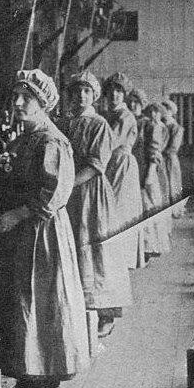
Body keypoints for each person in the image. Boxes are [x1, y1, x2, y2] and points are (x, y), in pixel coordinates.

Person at [0, 68, 89, 388]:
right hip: (22, 234)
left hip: (41, 233)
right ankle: (27, 375)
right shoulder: (25, 138)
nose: (18, 103)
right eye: (16, 96)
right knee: (22, 302)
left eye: (27, 98)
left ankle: (48, 381)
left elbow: (54, 193)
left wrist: (15, 214)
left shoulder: (51, 140)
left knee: (42, 302)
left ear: (43, 102)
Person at [63, 71, 133, 338]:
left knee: (96, 245)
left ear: (94, 95)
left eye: (87, 92)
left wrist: (68, 184)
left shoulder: (100, 125)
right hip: (71, 195)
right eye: (77, 91)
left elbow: (95, 165)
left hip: (91, 192)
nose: (81, 96)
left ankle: (105, 312)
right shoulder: (66, 124)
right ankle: (80, 309)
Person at [101, 72, 145, 270]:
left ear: (124, 94)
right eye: (111, 91)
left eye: (119, 91)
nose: (114, 95)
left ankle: (121, 259)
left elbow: (110, 143)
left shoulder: (124, 116)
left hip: (121, 164)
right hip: (111, 163)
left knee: (119, 209)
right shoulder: (111, 114)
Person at [139, 102, 172, 255]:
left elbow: (154, 150)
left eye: (156, 112)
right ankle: (151, 244)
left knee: (150, 203)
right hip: (148, 165)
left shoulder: (157, 127)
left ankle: (151, 245)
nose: (153, 115)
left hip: (151, 168)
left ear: (161, 114)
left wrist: (150, 173)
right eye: (151, 112)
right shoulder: (148, 125)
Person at [161, 99, 184, 204]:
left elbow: (173, 147)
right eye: (163, 109)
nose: (164, 112)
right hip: (161, 158)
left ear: (171, 112)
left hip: (170, 159)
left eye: (167, 109)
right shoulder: (160, 125)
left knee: (172, 183)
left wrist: (159, 151)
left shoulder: (176, 127)